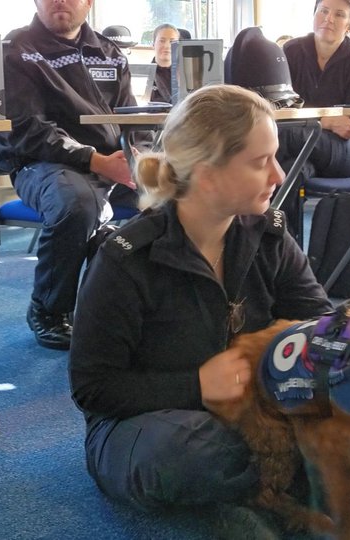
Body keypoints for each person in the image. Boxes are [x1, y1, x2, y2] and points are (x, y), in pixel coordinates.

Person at [69, 84, 332, 517]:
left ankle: (270, 485)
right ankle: (293, 480)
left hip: (255, 410)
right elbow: (94, 388)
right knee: (180, 453)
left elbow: (320, 328)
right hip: (152, 422)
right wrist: (198, 385)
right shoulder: (126, 259)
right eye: (260, 162)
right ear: (208, 175)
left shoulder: (269, 237)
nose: (279, 175)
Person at [3, 0, 139, 350]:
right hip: (42, 164)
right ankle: (48, 309)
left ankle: (149, 305)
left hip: (112, 163)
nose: (60, 0)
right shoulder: (17, 52)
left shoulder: (111, 54)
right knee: (78, 204)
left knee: (180, 191)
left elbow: (131, 119)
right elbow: (28, 129)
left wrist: (138, 156)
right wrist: (95, 160)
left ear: (89, 3)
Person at [277, 0, 350, 237]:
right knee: (289, 172)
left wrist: (306, 118)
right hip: (300, 149)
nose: (329, 19)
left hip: (345, 150)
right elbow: (281, 105)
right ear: (314, 15)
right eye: (324, 11)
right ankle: (284, 246)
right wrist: (325, 121)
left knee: (280, 134)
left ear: (349, 26)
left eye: (339, 14)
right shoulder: (291, 51)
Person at [146, 23, 181, 103]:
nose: (167, 46)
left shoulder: (186, 75)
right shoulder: (144, 75)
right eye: (162, 41)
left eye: (172, 41)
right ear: (153, 44)